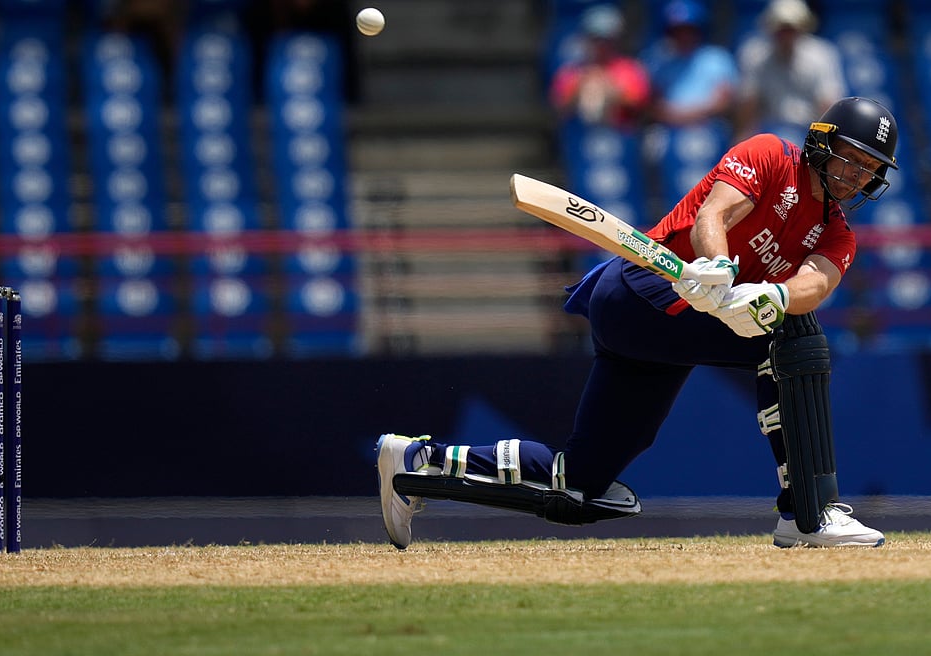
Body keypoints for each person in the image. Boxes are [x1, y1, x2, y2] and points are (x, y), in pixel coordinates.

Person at [377, 96, 900, 550]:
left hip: (662, 334)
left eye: (866, 169)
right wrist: (716, 269)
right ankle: (808, 513)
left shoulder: (839, 233)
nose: (853, 175)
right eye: (849, 158)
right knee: (794, 341)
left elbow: (818, 283)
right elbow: (714, 214)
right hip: (643, 291)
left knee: (579, 483)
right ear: (822, 142)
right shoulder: (769, 153)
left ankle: (416, 463)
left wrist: (774, 295)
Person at [733, 0, 846, 144]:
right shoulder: (754, 55)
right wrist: (743, 138)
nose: (786, 35)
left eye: (790, 28)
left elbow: (828, 105)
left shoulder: (823, 55)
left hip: (809, 131)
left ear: (801, 27)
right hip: (767, 132)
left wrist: (823, 143)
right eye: (781, 28)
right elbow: (748, 103)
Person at [548, 3, 650, 129]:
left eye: (606, 40)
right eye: (596, 39)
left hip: (618, 135)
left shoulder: (629, 69)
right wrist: (581, 87)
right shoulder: (571, 71)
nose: (601, 45)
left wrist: (612, 91)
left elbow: (640, 104)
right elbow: (559, 107)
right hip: (580, 136)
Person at [641, 0, 738, 129]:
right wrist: (680, 118)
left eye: (689, 30)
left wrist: (692, 115)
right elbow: (654, 105)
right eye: (678, 30)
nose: (684, 35)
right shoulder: (660, 62)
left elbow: (725, 102)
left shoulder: (717, 58)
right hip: (670, 128)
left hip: (709, 127)